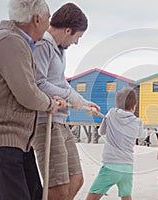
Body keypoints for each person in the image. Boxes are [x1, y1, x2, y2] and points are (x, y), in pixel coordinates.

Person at [0, 0, 65, 199]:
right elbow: (26, 93)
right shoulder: (10, 41)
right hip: (5, 140)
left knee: (34, 194)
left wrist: (48, 100)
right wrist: (51, 103)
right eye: (48, 19)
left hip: (20, 142)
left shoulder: (19, 42)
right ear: (36, 19)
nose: (48, 25)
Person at [32, 3, 100, 200]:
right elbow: (37, 83)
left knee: (76, 179)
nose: (77, 43)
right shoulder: (44, 44)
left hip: (61, 123)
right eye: (77, 37)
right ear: (68, 30)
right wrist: (73, 98)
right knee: (58, 188)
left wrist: (85, 103)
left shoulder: (59, 50)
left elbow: (62, 84)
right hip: (47, 122)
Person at [86, 87, 144, 200]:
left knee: (93, 196)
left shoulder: (112, 113)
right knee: (126, 196)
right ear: (134, 106)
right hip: (127, 166)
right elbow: (141, 135)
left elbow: (101, 131)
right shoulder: (138, 122)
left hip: (111, 166)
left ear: (118, 104)